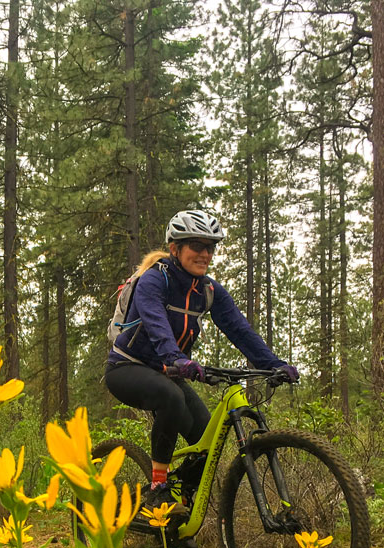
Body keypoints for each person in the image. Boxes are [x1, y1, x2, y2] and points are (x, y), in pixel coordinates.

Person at [106, 209, 298, 514]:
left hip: (168, 371)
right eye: (197, 245)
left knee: (207, 439)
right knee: (170, 396)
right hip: (127, 368)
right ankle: (158, 490)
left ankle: (178, 510)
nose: (205, 254)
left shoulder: (208, 291)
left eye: (211, 247)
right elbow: (156, 324)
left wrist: (274, 363)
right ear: (175, 248)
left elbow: (239, 329)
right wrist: (177, 359)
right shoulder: (154, 280)